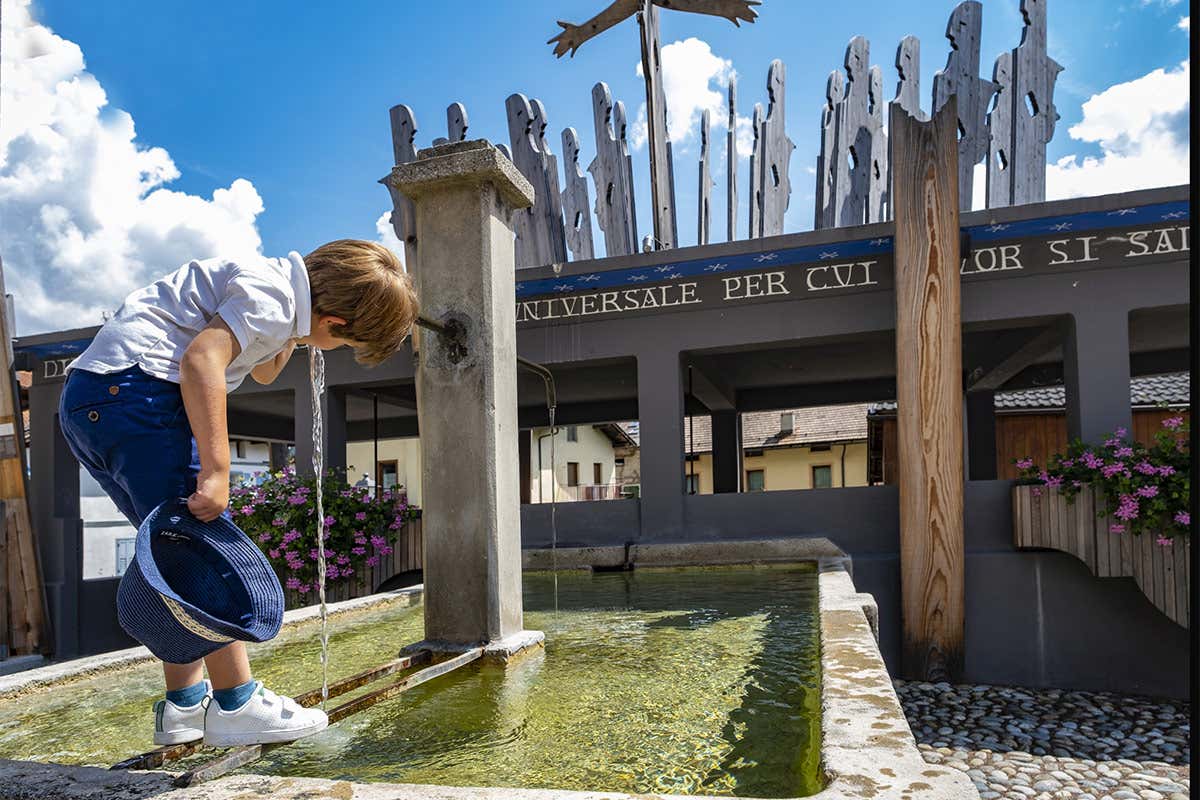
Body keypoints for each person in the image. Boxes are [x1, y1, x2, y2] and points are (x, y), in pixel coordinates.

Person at [58, 240, 418, 747]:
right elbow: (202, 361)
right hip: (139, 395)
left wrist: (299, 337)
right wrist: (217, 471)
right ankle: (236, 703)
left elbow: (266, 368)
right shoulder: (272, 299)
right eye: (341, 343)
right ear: (334, 321)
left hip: (93, 400)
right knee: (202, 548)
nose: (333, 350)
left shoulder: (274, 293)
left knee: (173, 554)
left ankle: (183, 708)